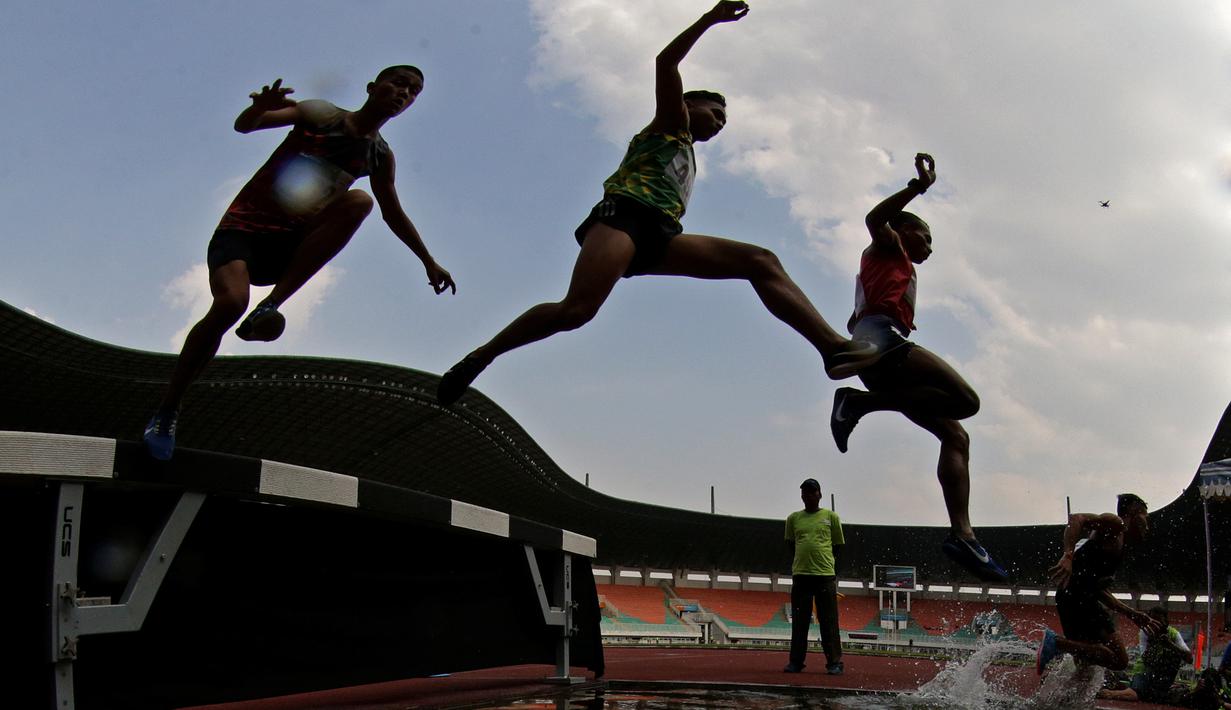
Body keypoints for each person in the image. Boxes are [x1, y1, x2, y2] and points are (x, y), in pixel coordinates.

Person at [435, 0, 877, 406]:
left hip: (662, 233)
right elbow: (665, 62)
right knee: (576, 311)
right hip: (623, 219)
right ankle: (483, 356)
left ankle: (831, 349)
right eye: (715, 111)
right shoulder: (670, 123)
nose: (720, 122)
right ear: (688, 103)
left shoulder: (687, 152)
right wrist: (709, 20)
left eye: (725, 119)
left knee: (760, 260)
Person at [143, 67, 455, 460]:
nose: (403, 94)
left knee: (360, 202)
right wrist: (259, 110)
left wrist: (427, 260)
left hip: (287, 249)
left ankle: (272, 304)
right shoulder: (320, 114)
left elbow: (393, 211)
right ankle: (168, 410)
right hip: (242, 234)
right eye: (397, 84)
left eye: (412, 93)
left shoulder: (378, 156)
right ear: (373, 87)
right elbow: (246, 126)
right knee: (228, 305)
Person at [826, 154, 1007, 582]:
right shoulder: (888, 244)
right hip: (878, 337)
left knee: (955, 434)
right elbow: (874, 218)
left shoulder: (900, 263)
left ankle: (963, 535)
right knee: (966, 400)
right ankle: (860, 403)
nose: (929, 246)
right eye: (924, 236)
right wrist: (917, 187)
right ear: (904, 230)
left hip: (880, 344)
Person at [1037, 493, 1164, 675]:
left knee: (1084, 667)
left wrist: (1132, 614)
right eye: (1146, 517)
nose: (1147, 526)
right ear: (1133, 513)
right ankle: (1056, 643)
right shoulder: (1115, 525)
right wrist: (1068, 555)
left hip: (1075, 597)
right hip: (1077, 598)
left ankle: (1052, 699)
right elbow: (1077, 519)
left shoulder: (1119, 546)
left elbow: (1098, 590)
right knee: (1119, 659)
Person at [783, 478, 844, 675]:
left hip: (825, 576)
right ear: (801, 496)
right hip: (801, 576)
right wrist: (804, 561)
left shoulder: (831, 517)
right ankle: (796, 662)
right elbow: (791, 545)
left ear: (819, 494)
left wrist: (825, 562)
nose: (808, 495)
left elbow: (838, 546)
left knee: (829, 622)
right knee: (799, 622)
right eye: (805, 492)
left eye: (812, 491)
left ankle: (834, 662)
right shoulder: (793, 518)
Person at [1096, 606, 1192, 703]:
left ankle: (1145, 689)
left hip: (1162, 676)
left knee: (1173, 655)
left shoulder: (1174, 634)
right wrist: (1152, 643)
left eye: (1159, 621)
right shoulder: (1145, 632)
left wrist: (1170, 645)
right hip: (1143, 671)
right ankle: (1111, 692)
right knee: (1134, 695)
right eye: (1153, 621)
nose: (1156, 625)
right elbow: (1146, 660)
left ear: (1166, 621)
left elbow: (1189, 659)